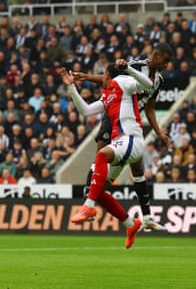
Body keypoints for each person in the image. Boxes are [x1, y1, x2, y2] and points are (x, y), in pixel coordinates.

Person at [73, 43, 174, 231]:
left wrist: (159, 133)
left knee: (137, 168)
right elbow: (110, 79)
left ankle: (147, 218)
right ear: (157, 55)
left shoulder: (158, 80)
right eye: (166, 61)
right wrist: (86, 78)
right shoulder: (135, 66)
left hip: (131, 120)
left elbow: (150, 108)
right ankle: (89, 200)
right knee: (101, 157)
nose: (167, 65)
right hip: (112, 115)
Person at [59, 61, 156, 249]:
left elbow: (149, 85)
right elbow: (85, 111)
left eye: (103, 74)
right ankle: (131, 224)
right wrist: (72, 87)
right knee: (98, 189)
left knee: (102, 156)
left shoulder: (123, 81)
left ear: (109, 75)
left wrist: (128, 68)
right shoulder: (108, 95)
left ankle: (88, 207)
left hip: (131, 139)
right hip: (121, 143)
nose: (101, 78)